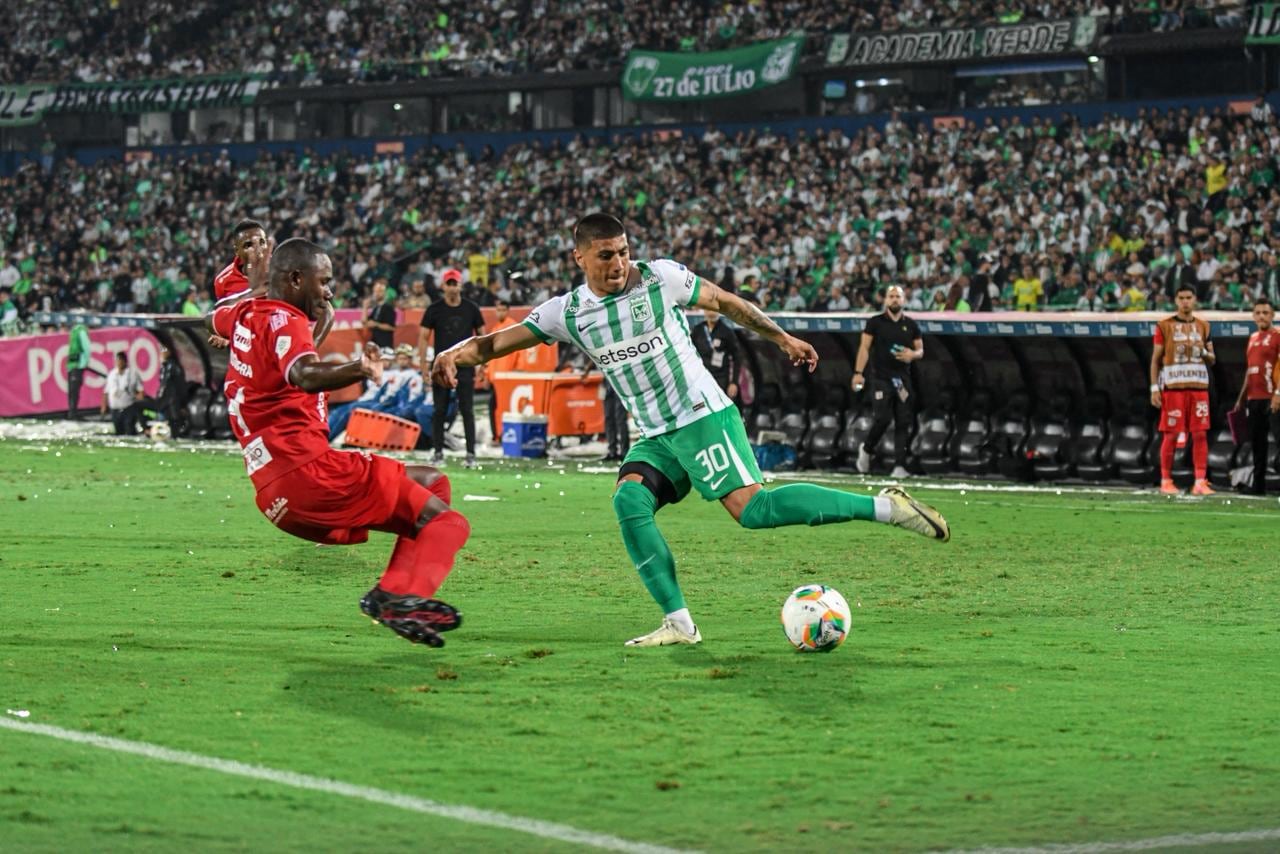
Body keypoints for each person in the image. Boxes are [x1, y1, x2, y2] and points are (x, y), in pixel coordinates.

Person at [431, 213, 950, 648]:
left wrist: (782, 338)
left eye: (623, 251)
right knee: (628, 503)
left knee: (754, 511)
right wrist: (452, 355)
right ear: (580, 258)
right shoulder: (568, 312)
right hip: (656, 433)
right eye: (606, 255)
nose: (618, 263)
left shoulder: (662, 279)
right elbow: (496, 345)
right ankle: (679, 623)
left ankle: (887, 507)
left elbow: (725, 302)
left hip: (700, 415)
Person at [207, 237, 470, 649]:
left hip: (274, 489)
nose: (330, 291)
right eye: (324, 281)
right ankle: (396, 597)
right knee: (448, 523)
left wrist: (258, 290)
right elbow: (304, 373)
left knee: (433, 483)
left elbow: (215, 316)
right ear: (295, 279)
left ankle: (396, 592)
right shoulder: (284, 319)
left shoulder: (245, 312)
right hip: (311, 474)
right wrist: (358, 368)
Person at [212, 220, 333, 349]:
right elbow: (222, 314)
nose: (258, 249)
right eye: (248, 245)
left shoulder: (282, 270)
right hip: (249, 350)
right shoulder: (223, 280)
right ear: (237, 250)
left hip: (284, 342)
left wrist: (311, 348)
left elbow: (327, 310)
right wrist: (224, 336)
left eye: (262, 242)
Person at [1150, 284, 1217, 495]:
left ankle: (1199, 482)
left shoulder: (1204, 326)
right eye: (1182, 298)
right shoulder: (1164, 325)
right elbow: (1155, 360)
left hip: (1198, 387)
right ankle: (1166, 481)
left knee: (1200, 434)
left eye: (1189, 297)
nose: (1185, 301)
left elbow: (1212, 359)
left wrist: (1204, 353)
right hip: (1174, 387)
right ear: (1176, 301)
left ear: (1195, 299)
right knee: (1170, 435)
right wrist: (1154, 388)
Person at [851, 284, 923, 479]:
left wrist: (912, 355)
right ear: (885, 300)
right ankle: (866, 449)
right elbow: (864, 348)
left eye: (898, 296)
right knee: (883, 418)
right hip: (881, 379)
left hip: (902, 381)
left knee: (903, 420)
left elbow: (920, 350)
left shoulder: (911, 325)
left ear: (904, 300)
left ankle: (899, 465)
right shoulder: (875, 322)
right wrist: (858, 373)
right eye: (891, 296)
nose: (894, 299)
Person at [419, 268, 486, 467]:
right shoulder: (434, 309)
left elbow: (482, 337)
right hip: (441, 365)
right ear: (443, 286)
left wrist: (483, 363)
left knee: (467, 409)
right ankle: (438, 452)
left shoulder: (471, 308)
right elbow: (423, 337)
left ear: (460, 285)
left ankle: (471, 454)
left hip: (465, 365)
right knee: (438, 410)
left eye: (454, 283)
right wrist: (424, 365)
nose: (451, 287)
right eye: (448, 283)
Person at [1233, 298, 1280, 495]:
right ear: (1253, 316)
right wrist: (1241, 398)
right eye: (1258, 312)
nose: (1261, 316)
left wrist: (1278, 394)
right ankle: (1258, 486)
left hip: (1273, 397)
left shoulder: (1278, 336)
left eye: (1265, 313)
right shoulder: (1252, 338)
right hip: (1254, 398)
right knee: (1257, 444)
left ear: (1273, 315)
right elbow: (1250, 370)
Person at [485, 298, 519, 446]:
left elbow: (518, 353)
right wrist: (487, 375)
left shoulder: (512, 328)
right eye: (498, 309)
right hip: (496, 377)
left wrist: (514, 373)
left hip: (506, 377)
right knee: (494, 407)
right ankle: (497, 435)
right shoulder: (495, 328)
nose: (500, 312)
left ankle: (501, 435)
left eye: (503, 310)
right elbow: (490, 356)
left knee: (502, 408)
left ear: (508, 310)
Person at [101, 351, 144, 434]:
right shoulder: (112, 374)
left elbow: (140, 390)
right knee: (118, 431)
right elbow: (106, 391)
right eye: (117, 360)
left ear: (125, 361)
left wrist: (139, 400)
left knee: (129, 429)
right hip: (115, 409)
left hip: (128, 407)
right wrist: (104, 405)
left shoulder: (132, 373)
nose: (119, 362)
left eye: (120, 360)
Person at [156, 345, 188, 437]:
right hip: (165, 398)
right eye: (161, 350)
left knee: (175, 419)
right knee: (168, 419)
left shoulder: (174, 366)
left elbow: (180, 384)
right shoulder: (163, 367)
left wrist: (182, 403)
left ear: (170, 352)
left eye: (165, 350)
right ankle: (171, 436)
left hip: (173, 398)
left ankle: (177, 436)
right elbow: (162, 384)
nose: (162, 352)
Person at [66, 319, 92, 419]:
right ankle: (72, 412)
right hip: (73, 365)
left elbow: (86, 348)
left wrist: (83, 363)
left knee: (74, 390)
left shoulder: (80, 331)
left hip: (77, 365)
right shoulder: (75, 331)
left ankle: (73, 412)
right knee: (72, 390)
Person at [363, 279, 397, 351]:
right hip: (376, 345)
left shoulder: (388, 308)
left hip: (385, 345)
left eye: (379, 291)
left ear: (384, 293)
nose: (377, 294)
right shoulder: (376, 308)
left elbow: (392, 327)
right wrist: (365, 307)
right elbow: (365, 322)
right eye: (375, 292)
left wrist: (376, 324)